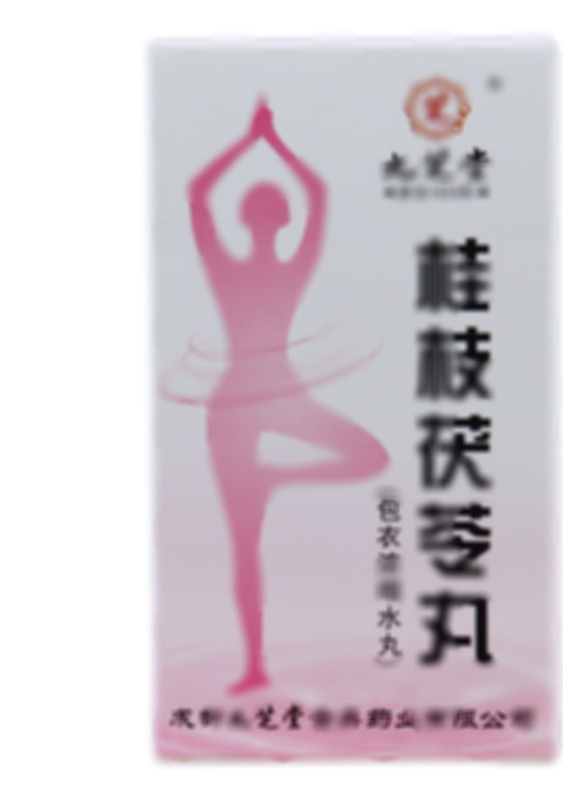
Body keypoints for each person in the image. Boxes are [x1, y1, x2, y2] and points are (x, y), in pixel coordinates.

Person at [186, 100, 389, 694]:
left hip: (259, 399)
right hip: (249, 402)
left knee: (365, 457)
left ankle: (276, 479)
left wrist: (253, 141)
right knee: (245, 539)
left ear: (251, 218)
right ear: (280, 220)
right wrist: (270, 142)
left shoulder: (237, 266)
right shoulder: (277, 266)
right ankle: (254, 665)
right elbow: (316, 195)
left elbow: (199, 193)